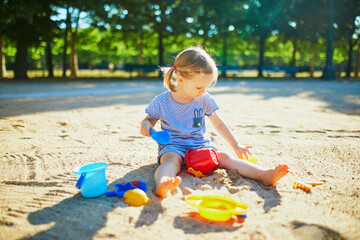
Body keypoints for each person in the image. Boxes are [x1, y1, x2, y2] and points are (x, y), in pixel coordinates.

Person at [140, 46, 289, 198]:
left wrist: (235, 145)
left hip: (200, 146)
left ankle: (263, 174)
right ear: (180, 79)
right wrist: (147, 126)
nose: (203, 91)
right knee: (170, 162)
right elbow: (148, 119)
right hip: (173, 146)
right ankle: (163, 184)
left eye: (206, 87)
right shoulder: (161, 101)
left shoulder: (203, 99)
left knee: (224, 157)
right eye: (199, 87)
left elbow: (218, 124)